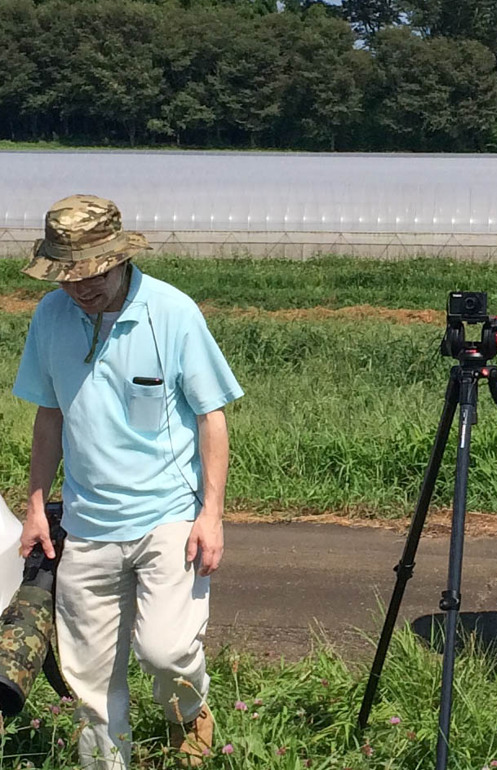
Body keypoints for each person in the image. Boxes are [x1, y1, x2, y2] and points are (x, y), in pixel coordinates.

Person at [13, 195, 244, 769]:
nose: (81, 288)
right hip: (88, 524)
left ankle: (188, 715)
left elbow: (212, 415)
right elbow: (49, 415)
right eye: (68, 277)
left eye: (92, 274)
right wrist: (37, 503)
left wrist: (210, 515)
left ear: (119, 259)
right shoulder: (50, 316)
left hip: (168, 515)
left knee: (165, 653)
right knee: (88, 682)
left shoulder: (171, 312)